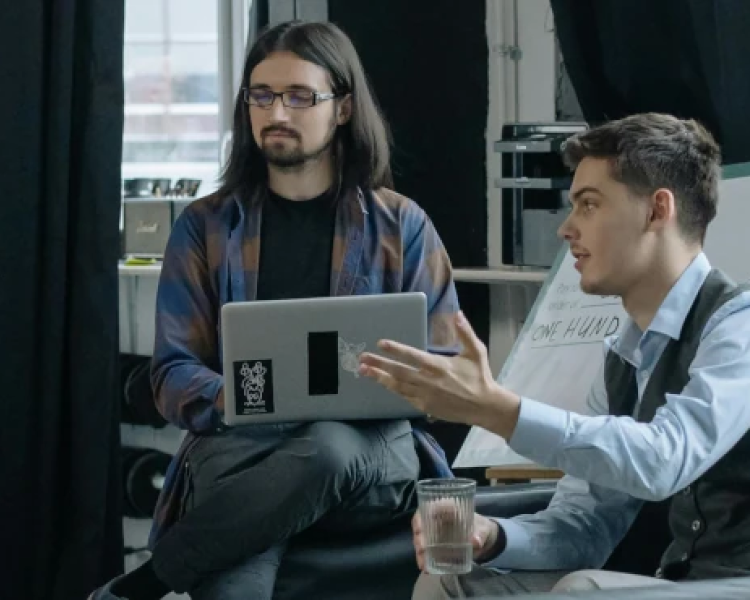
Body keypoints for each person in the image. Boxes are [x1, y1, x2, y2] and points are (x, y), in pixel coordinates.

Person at [89, 20, 459, 600]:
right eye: (261, 95)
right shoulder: (205, 227)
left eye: (299, 96)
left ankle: (150, 581)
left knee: (330, 446)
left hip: (371, 453)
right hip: (246, 448)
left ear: (342, 108)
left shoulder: (402, 226)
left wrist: (394, 384)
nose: (276, 112)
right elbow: (171, 375)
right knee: (243, 557)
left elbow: (449, 371)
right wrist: (243, 399)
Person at [359, 113, 750, 597]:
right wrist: (492, 536)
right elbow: (584, 527)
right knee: (448, 580)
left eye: (589, 205)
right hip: (679, 585)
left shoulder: (739, 326)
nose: (566, 229)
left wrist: (497, 409)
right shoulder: (624, 360)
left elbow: (663, 459)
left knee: (581, 589)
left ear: (656, 211)